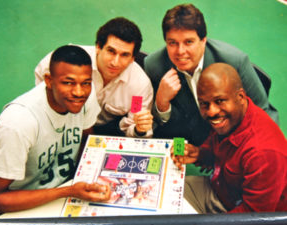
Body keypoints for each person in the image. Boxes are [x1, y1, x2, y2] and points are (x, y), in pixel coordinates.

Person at [0, 45, 111, 215]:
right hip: (24, 205)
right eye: (68, 82)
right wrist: (67, 191)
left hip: (66, 188)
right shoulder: (18, 123)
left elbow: (86, 137)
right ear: (48, 80)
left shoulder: (83, 97)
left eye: (86, 83)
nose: (78, 92)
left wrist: (87, 178)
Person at [144, 3, 278, 146]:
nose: (180, 51)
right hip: (192, 145)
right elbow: (156, 124)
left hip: (233, 141)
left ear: (203, 40)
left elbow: (264, 113)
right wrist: (162, 104)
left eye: (189, 42)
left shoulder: (234, 61)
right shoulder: (154, 65)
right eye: (172, 43)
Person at [171, 63, 287, 213]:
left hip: (237, 213)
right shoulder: (235, 118)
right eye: (204, 104)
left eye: (219, 101)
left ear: (240, 96)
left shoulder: (263, 154)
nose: (211, 112)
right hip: (219, 189)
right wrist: (200, 154)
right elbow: (219, 148)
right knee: (165, 190)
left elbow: (253, 217)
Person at [35, 17, 154, 138]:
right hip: (66, 124)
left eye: (124, 55)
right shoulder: (67, 61)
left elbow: (133, 127)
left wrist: (139, 129)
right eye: (111, 51)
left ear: (133, 58)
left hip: (108, 130)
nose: (115, 62)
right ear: (98, 47)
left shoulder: (139, 85)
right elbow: (42, 73)